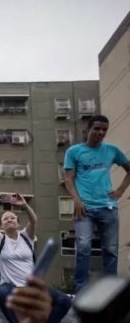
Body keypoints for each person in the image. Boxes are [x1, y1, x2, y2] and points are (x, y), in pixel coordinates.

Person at [63, 114, 130, 292]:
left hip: (108, 208)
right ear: (88, 130)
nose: (100, 132)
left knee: (110, 250)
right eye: (97, 129)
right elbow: (68, 179)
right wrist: (77, 201)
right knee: (84, 246)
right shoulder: (74, 151)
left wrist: (121, 190)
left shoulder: (112, 150)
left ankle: (110, 291)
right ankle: (81, 289)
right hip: (84, 208)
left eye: (104, 130)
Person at [0, 192, 71, 323]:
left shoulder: (26, 237)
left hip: (30, 286)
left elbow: (34, 220)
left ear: (18, 223)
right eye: (5, 219)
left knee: (64, 301)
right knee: (2, 294)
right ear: (2, 226)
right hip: (10, 286)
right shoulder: (0, 241)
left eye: (12, 218)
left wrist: (25, 205)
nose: (9, 220)